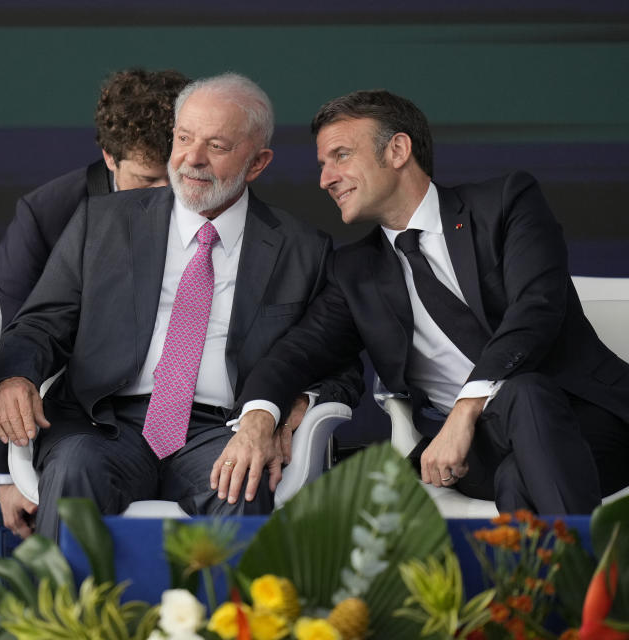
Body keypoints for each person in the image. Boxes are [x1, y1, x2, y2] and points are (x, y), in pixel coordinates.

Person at [0, 73, 362, 540]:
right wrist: (15, 376)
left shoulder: (302, 249)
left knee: (242, 484)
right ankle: (64, 615)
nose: (191, 159)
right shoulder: (102, 223)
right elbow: (40, 323)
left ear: (258, 162)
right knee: (73, 468)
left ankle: (236, 616)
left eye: (217, 146)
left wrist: (297, 406)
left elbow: (340, 367)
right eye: (183, 138)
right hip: (106, 423)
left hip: (223, 429)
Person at [236, 89, 629, 514]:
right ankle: (589, 578)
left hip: (588, 424)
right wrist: (259, 413)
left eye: (341, 155)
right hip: (472, 452)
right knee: (518, 442)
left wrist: (466, 407)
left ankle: (547, 580)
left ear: (399, 150)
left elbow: (536, 310)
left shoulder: (505, 204)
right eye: (323, 164)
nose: (325, 178)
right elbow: (296, 353)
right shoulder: (355, 272)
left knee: (522, 434)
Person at [0, 68, 189, 538]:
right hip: (84, 422)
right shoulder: (50, 214)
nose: (167, 198)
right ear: (110, 157)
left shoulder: (207, 198)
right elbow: (12, 338)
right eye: (148, 179)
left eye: (174, 178)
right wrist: (7, 474)